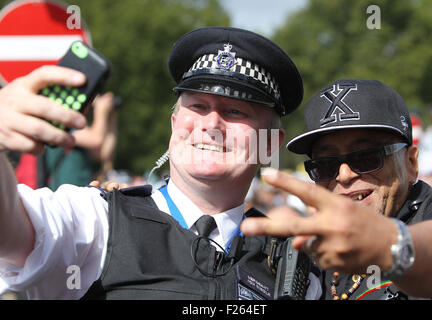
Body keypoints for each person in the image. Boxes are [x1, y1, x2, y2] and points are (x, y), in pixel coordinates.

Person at [0, 27, 322, 300]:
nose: (211, 124)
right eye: (197, 105)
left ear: (270, 144)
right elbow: (12, 229)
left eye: (235, 111)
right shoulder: (97, 222)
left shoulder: (294, 266)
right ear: (174, 123)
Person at [241, 79, 432, 299]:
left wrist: (387, 246)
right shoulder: (312, 252)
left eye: (366, 157)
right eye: (325, 164)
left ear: (410, 163)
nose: (344, 175)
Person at [43, 92, 117, 190]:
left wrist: (111, 119)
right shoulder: (62, 124)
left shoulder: (82, 129)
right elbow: (96, 140)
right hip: (66, 192)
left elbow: (102, 154)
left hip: (80, 189)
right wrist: (100, 110)